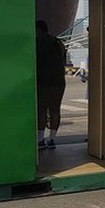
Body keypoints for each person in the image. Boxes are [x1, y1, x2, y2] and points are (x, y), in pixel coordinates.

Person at [36, 20, 67, 150]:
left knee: (42, 110)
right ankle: (52, 139)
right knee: (55, 111)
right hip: (59, 81)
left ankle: (40, 140)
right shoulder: (58, 42)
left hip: (44, 81)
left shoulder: (38, 42)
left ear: (38, 30)